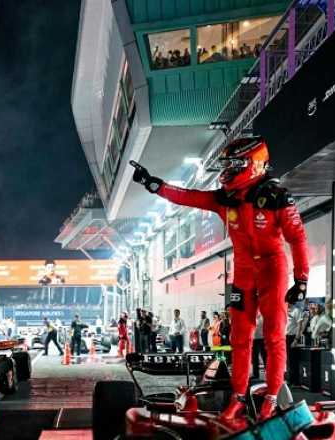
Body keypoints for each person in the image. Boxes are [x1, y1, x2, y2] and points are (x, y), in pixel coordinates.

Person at [132, 136, 309, 424]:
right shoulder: (224, 198)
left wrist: (301, 280)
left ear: (253, 164)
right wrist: (155, 185)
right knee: (239, 337)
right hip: (242, 271)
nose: (227, 170)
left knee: (275, 335)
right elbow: (188, 196)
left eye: (234, 164)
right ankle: (238, 397)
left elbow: (297, 239)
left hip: (272, 268)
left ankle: (272, 397)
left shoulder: (277, 196)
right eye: (226, 164)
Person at [251, 314, 265, 379]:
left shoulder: (263, 316)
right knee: (254, 357)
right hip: (253, 338)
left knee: (264, 356)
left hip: (262, 338)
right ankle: (255, 374)